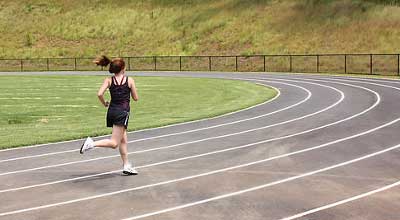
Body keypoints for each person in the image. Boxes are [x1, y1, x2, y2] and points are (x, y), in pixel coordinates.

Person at [80, 55, 139, 175]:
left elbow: (99, 94)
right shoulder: (129, 80)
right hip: (122, 113)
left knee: (123, 140)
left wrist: (104, 103)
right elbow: (136, 98)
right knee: (114, 143)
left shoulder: (109, 80)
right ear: (123, 68)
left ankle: (126, 165)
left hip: (112, 111)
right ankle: (91, 144)